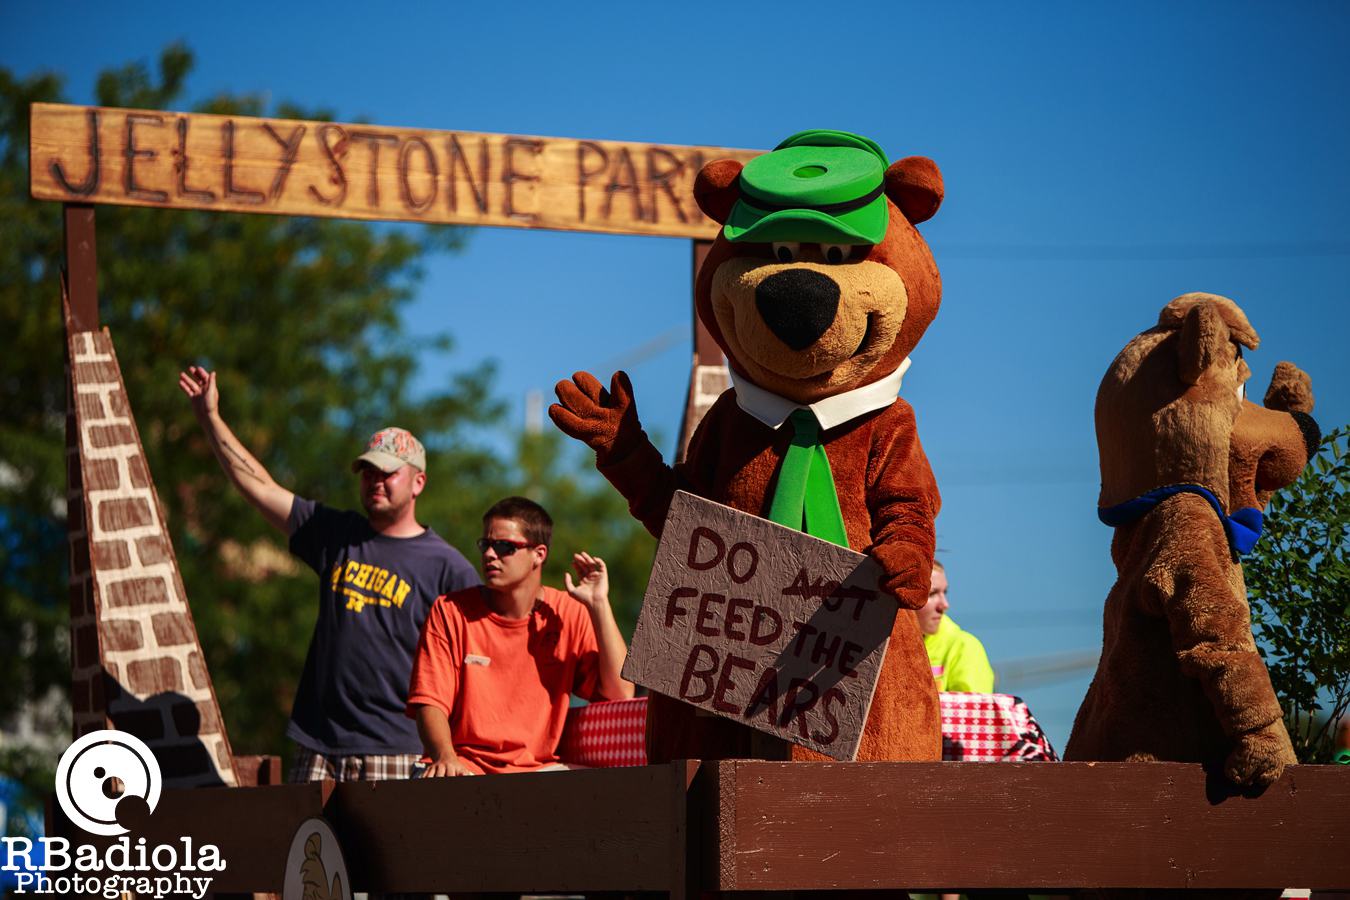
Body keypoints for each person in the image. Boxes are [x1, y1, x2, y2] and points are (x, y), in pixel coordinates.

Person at [178, 366, 480, 783]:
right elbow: (260, 487)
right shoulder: (336, 534)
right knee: (305, 831)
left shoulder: (449, 568)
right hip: (319, 746)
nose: (376, 481)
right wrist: (211, 419)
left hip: (399, 748)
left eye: (388, 473)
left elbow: (480, 664)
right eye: (368, 472)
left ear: (418, 483)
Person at [407, 496, 635, 775]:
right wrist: (445, 757)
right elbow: (430, 702)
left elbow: (621, 693)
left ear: (539, 554)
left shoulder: (569, 612)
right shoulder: (449, 610)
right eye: (485, 544)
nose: (490, 554)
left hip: (537, 770)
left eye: (504, 546)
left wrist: (599, 604)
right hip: (463, 766)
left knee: (605, 791)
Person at [918, 560, 995, 693]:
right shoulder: (881, 647)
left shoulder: (964, 647)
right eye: (932, 593)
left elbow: (973, 706)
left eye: (945, 592)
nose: (945, 604)